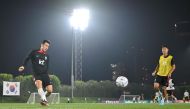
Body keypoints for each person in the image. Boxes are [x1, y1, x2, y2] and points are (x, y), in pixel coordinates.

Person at [18, 40, 53, 106]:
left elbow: (47, 66)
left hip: (45, 74)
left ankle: (43, 98)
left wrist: (48, 74)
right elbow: (27, 58)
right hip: (37, 74)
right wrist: (23, 66)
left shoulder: (47, 55)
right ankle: (44, 100)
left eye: (48, 46)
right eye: (46, 45)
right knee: (39, 85)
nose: (47, 47)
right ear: (42, 45)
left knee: (50, 91)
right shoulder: (34, 52)